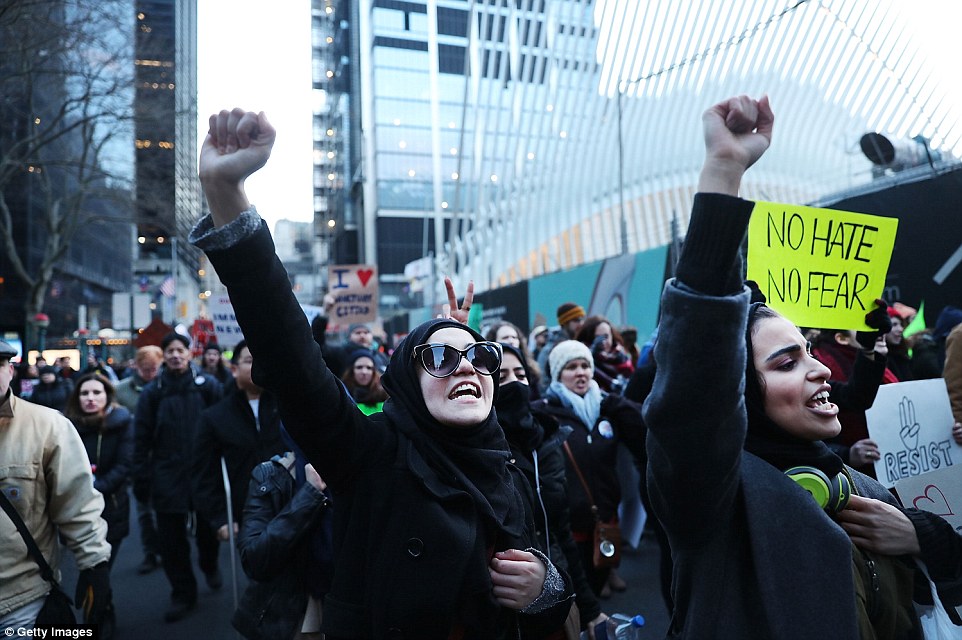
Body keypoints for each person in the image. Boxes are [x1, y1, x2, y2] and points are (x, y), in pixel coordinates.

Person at [190, 107, 573, 638]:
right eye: (439, 357)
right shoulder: (369, 455)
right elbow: (290, 355)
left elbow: (554, 560)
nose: (466, 365)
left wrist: (544, 589)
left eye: (479, 356)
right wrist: (226, 193)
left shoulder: (506, 464)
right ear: (407, 385)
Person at [644, 94, 962, 638]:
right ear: (737, 391)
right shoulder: (710, 502)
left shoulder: (863, 492)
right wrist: (723, 172)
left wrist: (920, 537)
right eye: (787, 361)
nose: (818, 370)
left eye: (810, 351)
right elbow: (695, 384)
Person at [496, 343, 607, 637]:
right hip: (504, 609)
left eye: (520, 373)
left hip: (558, 595)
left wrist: (589, 607)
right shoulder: (483, 450)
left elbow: (559, 531)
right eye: (502, 376)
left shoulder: (545, 440)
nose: (515, 382)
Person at [0, 340, 112, 631]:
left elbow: (77, 505)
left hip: (22, 601)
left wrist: (94, 565)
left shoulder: (49, 426)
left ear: (10, 371)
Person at [530, 340, 645, 598]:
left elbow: (644, 429)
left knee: (596, 588)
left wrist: (616, 402)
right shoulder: (546, 414)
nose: (581, 372)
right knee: (576, 599)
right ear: (558, 374)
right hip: (569, 530)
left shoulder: (605, 409)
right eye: (571, 367)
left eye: (585, 366)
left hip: (605, 522)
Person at [132, 331, 224, 622]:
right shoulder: (152, 393)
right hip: (166, 473)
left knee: (208, 532)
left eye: (179, 350)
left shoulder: (208, 386)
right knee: (171, 540)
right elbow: (141, 438)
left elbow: (224, 427)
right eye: (169, 350)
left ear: (189, 353)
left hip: (204, 471)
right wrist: (141, 478)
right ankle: (183, 593)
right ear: (164, 356)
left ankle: (210, 565)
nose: (174, 355)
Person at [233, 444, 334, 640]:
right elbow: (254, 560)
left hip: (356, 609)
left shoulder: (366, 465)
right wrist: (310, 494)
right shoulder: (273, 475)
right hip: (299, 610)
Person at [192, 340, 286, 545]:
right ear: (234, 369)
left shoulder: (288, 408)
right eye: (250, 360)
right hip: (245, 511)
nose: (258, 366)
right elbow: (205, 472)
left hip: (291, 505)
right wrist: (219, 518)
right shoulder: (214, 417)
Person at [63, 373, 132, 638]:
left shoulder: (122, 423)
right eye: (84, 393)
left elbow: (125, 465)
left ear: (107, 395)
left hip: (111, 507)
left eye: (96, 393)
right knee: (88, 565)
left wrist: (93, 488)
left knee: (102, 565)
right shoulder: (65, 426)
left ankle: (100, 613)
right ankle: (101, 608)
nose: (90, 399)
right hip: (74, 510)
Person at [114, 345, 164, 575]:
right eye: (146, 369)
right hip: (138, 456)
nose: (150, 373)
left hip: (166, 455)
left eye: (153, 368)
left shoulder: (167, 387)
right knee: (144, 510)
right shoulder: (121, 390)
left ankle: (169, 549)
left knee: (167, 508)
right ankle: (150, 552)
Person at [575, 316, 634, 394]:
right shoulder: (580, 360)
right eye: (598, 337)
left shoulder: (623, 359)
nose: (603, 342)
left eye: (606, 336)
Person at [536, 303, 587, 392]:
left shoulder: (582, 343)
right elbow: (543, 383)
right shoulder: (550, 349)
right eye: (576, 320)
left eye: (582, 320)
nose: (581, 324)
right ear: (565, 323)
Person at [485, 321, 542, 394]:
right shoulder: (487, 370)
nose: (511, 341)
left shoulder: (531, 369)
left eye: (514, 337)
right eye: (505, 338)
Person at [340, 349, 389, 415]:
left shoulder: (384, 395)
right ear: (351, 371)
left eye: (369, 368)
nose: (364, 372)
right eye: (359, 367)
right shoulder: (342, 394)